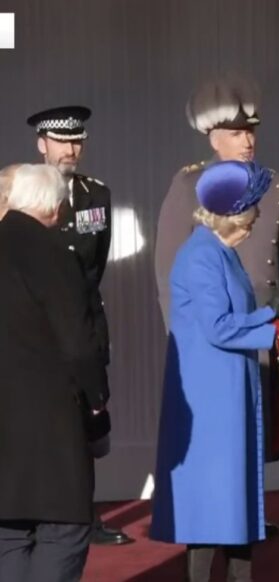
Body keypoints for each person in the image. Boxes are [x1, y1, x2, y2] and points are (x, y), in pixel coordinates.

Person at [154, 77, 279, 536]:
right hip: (215, 330)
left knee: (261, 422)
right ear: (212, 136)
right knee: (218, 431)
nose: (248, 140)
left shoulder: (273, 182)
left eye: (251, 131)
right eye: (238, 132)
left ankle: (248, 511)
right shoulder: (189, 184)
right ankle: (217, 517)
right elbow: (168, 268)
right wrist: (184, 341)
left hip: (265, 320)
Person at [149, 160, 279, 582]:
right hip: (209, 393)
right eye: (250, 214)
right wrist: (275, 333)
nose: (255, 223)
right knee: (213, 503)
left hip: (227, 387)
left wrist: (272, 315)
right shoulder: (200, 256)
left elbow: (232, 316)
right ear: (232, 216)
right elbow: (217, 328)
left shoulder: (219, 251)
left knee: (235, 498)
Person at [25, 105, 132, 546]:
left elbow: (94, 265)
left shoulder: (96, 195)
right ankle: (32, 517)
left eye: (77, 141)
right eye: (61, 141)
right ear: (42, 144)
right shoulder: (21, 193)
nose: (71, 149)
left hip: (84, 324)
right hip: (36, 331)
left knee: (88, 424)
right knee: (37, 424)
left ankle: (84, 519)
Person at [0, 164, 110, 582]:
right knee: (63, 532)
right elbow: (79, 346)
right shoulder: (54, 257)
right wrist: (97, 400)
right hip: (51, 426)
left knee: (7, 535)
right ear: (54, 206)